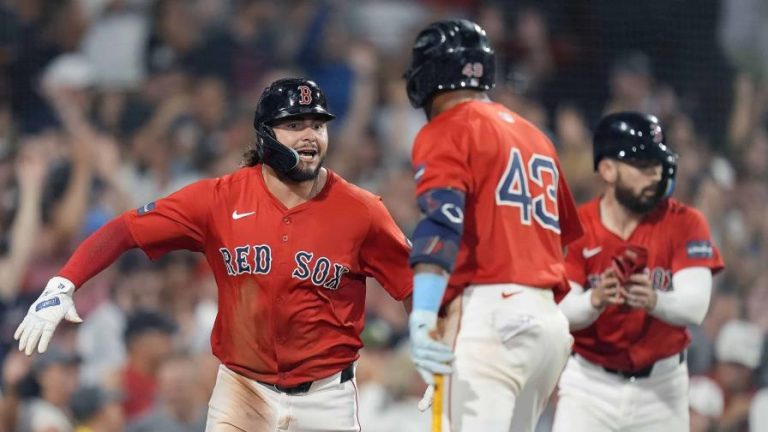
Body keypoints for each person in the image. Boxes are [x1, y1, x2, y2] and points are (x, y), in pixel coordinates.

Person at [13, 77, 413, 432]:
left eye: (318, 125)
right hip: (243, 390)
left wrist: (436, 350)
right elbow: (126, 229)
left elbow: (415, 287)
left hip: (327, 398)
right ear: (266, 136)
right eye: (295, 125)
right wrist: (64, 282)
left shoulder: (361, 211)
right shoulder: (219, 199)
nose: (310, 135)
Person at [402, 19, 584, 432]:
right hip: (548, 329)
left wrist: (425, 314)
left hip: (490, 320)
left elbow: (440, 224)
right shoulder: (536, 136)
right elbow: (562, 244)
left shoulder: (448, 127)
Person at [552, 112, 724, 432]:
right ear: (607, 169)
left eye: (657, 166)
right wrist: (595, 300)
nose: (655, 176)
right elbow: (561, 311)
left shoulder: (686, 222)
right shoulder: (579, 225)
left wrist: (654, 300)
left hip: (662, 388)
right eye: (643, 166)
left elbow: (696, 307)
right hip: (589, 387)